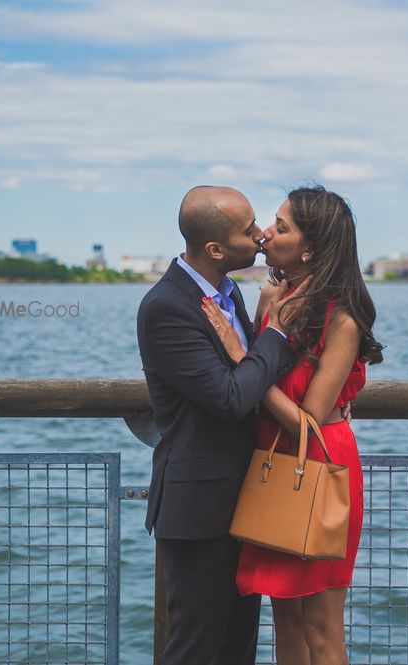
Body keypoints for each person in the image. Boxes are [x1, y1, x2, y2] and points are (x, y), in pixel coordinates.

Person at [203, 185, 383, 665]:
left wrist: (242, 359)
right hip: (272, 463)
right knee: (284, 622)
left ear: (310, 248)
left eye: (280, 227)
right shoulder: (270, 298)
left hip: (320, 464)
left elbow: (310, 420)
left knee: (322, 629)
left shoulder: (339, 316)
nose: (264, 233)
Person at [137, 185, 306, 665]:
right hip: (198, 510)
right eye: (247, 228)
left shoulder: (227, 291)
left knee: (238, 648)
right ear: (214, 249)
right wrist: (275, 334)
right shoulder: (167, 307)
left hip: (246, 499)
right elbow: (231, 398)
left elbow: (245, 380)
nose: (259, 235)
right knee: (194, 648)